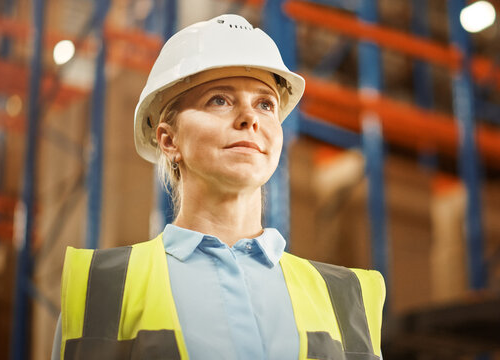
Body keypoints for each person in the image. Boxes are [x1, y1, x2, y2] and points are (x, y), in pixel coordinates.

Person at [53, 14, 385, 360]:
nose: (250, 118)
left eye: (265, 104)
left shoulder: (346, 298)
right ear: (168, 140)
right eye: (219, 100)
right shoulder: (104, 291)